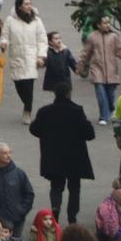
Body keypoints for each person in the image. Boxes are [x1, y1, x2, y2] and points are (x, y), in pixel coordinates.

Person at [31, 86, 95, 224]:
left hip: (54, 156)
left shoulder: (45, 111)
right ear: (69, 93)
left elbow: (34, 129)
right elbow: (90, 134)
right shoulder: (77, 111)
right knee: (74, 187)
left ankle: (55, 211)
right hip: (74, 156)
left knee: (56, 186)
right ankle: (72, 216)